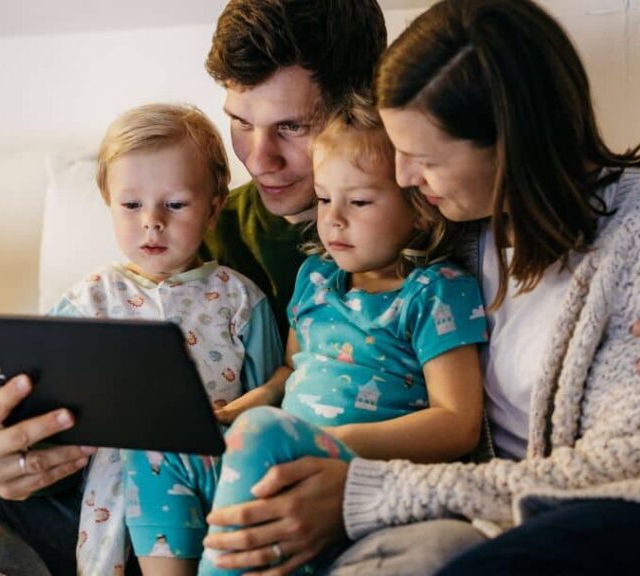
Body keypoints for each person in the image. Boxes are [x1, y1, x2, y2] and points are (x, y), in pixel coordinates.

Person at [0, 1, 640, 574]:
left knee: (436, 559)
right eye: (238, 123)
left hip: (338, 493)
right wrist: (5, 442)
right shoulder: (229, 221)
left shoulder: (428, 216)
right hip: (148, 483)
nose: (260, 160)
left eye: (289, 130)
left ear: (360, 112)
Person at [200, 1, 640, 575]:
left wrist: (366, 493)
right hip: (530, 506)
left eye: (425, 157)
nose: (403, 175)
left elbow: (631, 462)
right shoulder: (448, 232)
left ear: (512, 142)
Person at [127, 100, 486, 576]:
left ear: (420, 207)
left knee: (264, 432)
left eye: (358, 202)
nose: (333, 219)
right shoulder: (316, 277)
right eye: (323, 198)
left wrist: (332, 438)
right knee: (159, 442)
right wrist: (242, 407)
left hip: (355, 472)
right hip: (279, 455)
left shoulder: (437, 292)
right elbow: (288, 373)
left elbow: (458, 422)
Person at [43, 103, 282, 574]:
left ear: (214, 208)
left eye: (175, 204)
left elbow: (272, 405)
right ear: (108, 201)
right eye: (131, 205)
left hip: (211, 496)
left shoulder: (240, 301)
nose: (152, 221)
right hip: (104, 510)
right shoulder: (87, 301)